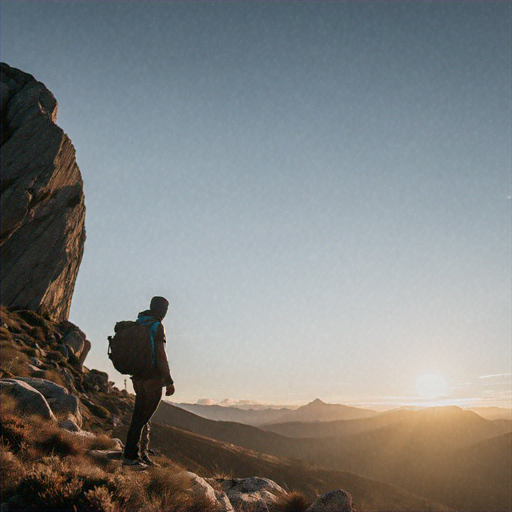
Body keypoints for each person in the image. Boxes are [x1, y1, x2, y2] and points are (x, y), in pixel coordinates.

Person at [123, 296, 175, 467]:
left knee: (139, 416)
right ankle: (131, 456)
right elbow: (160, 355)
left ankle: (138, 453)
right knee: (141, 419)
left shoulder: (139, 324)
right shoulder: (156, 326)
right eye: (165, 309)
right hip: (152, 378)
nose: (165, 313)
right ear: (161, 310)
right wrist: (168, 380)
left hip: (138, 378)